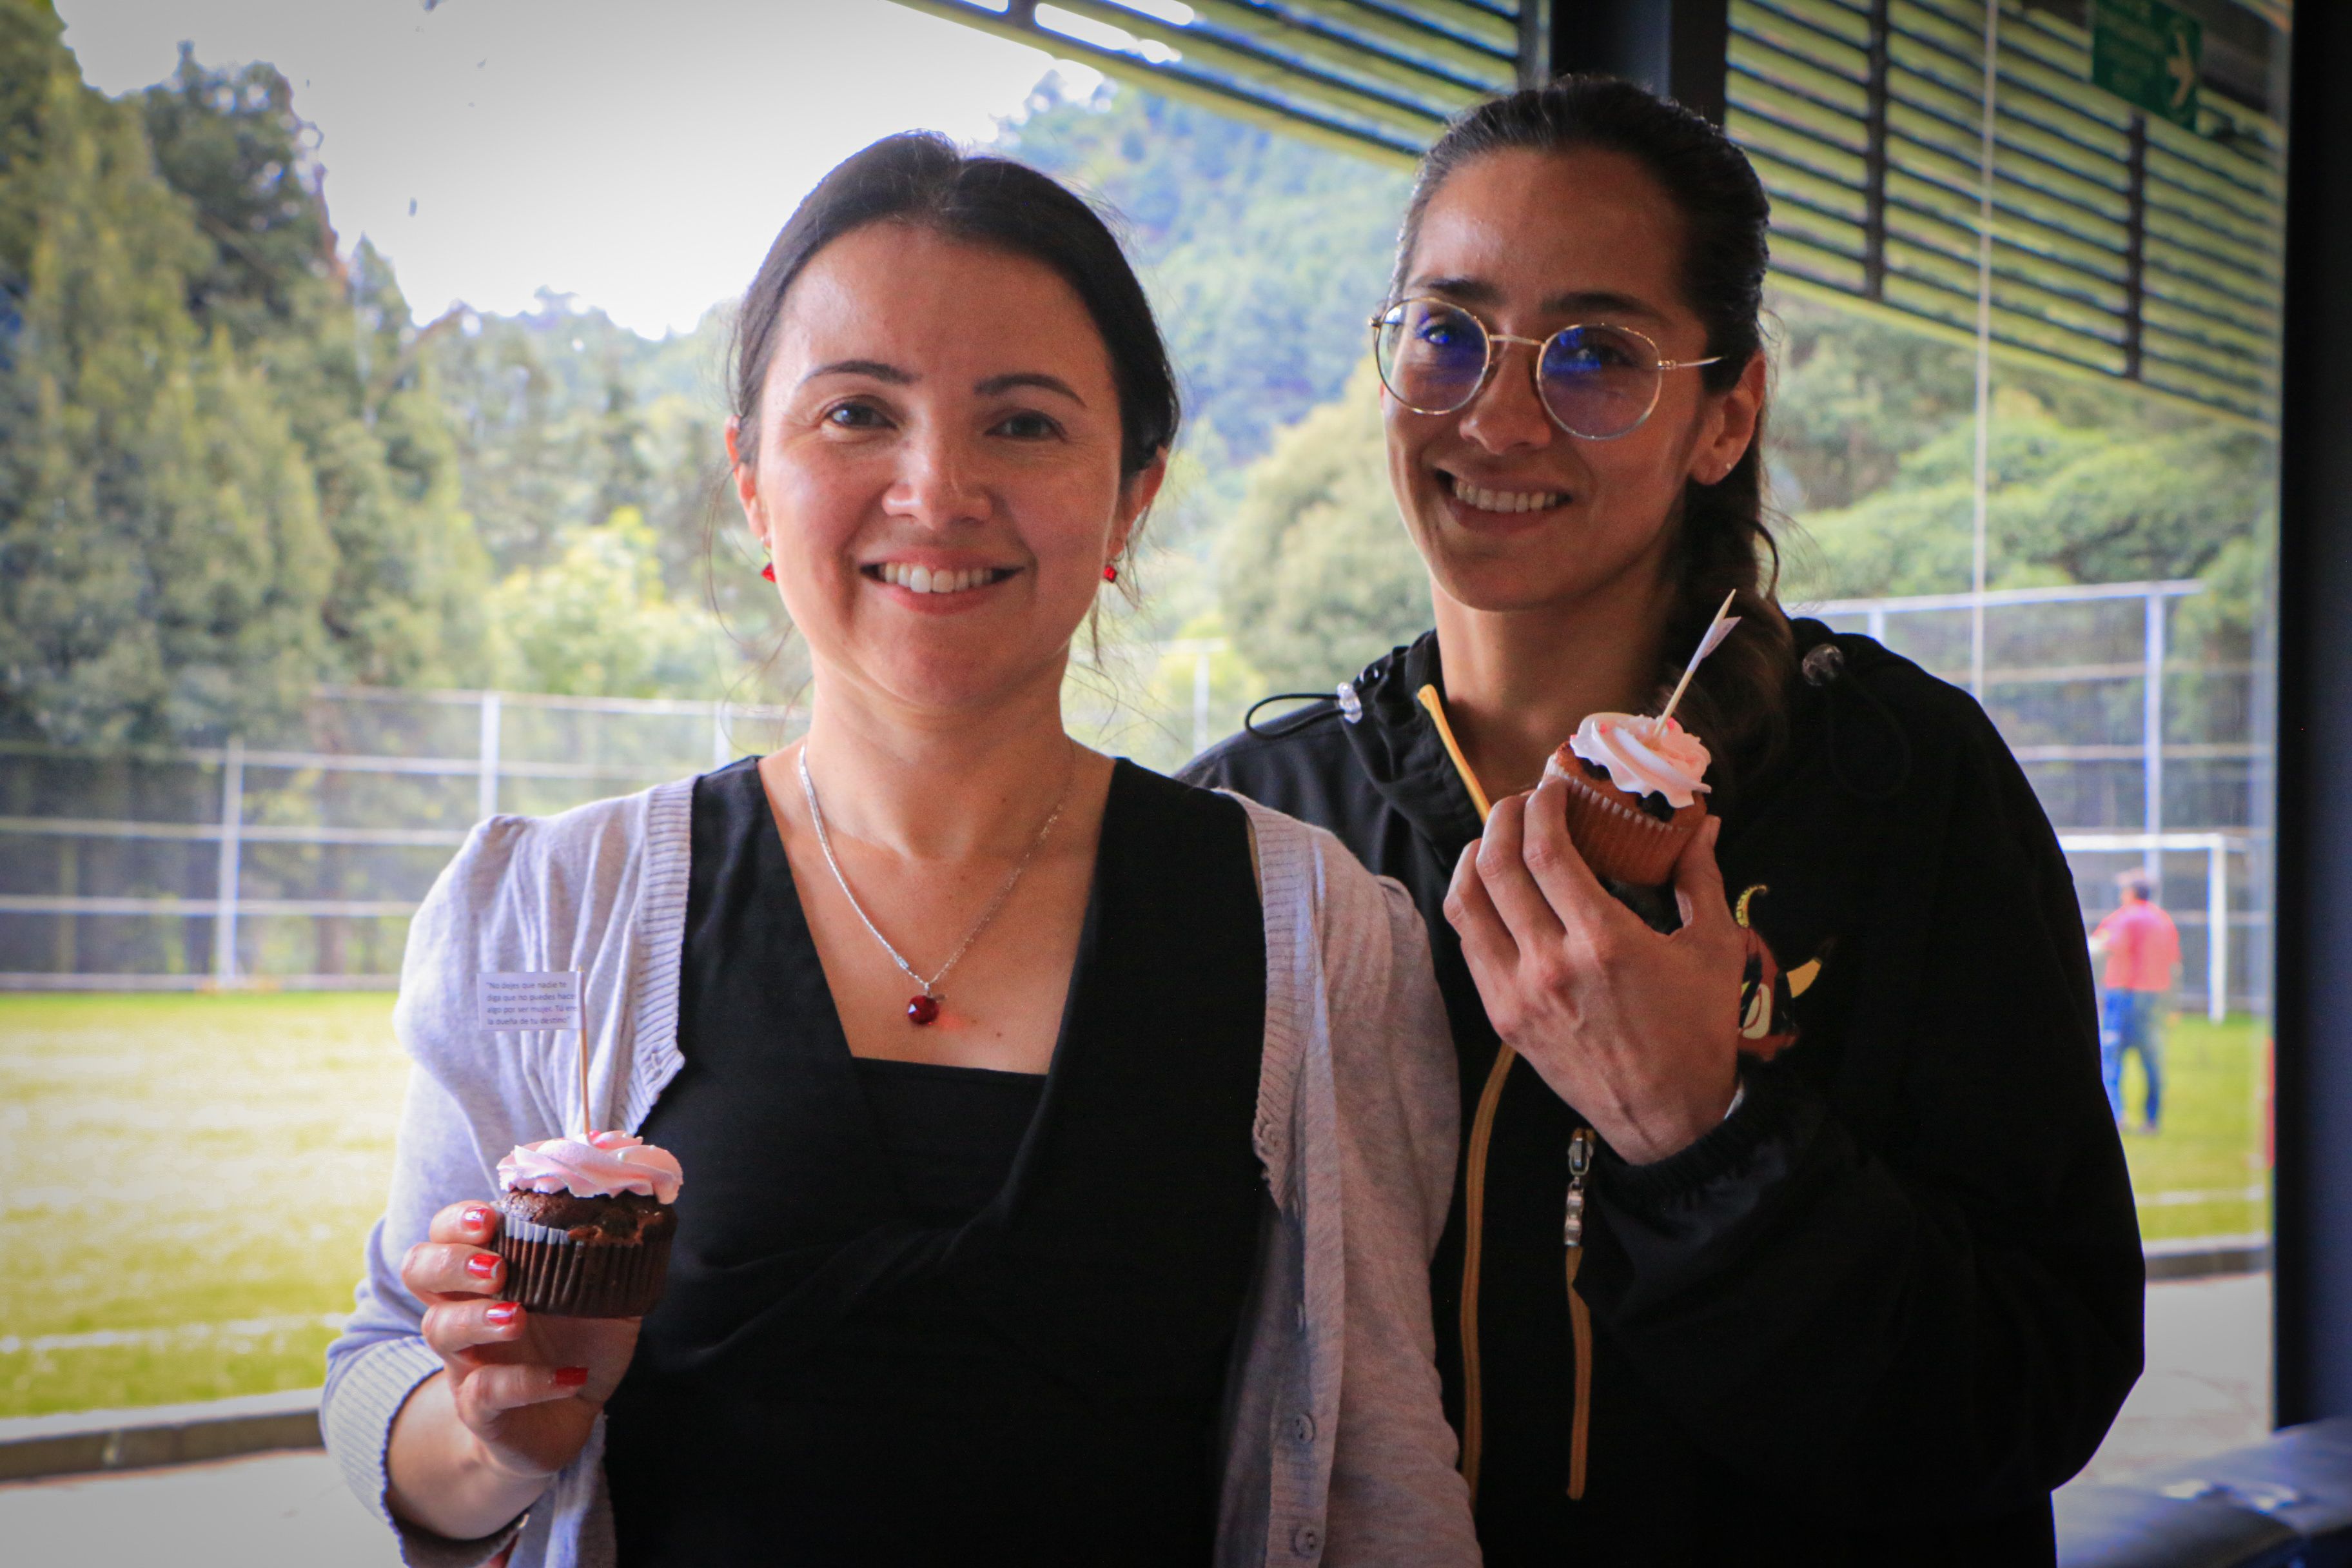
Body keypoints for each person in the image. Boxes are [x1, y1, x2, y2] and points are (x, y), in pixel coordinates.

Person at [322, 134, 1479, 1568]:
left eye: (1025, 424)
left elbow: (1381, 1465)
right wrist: (500, 1428)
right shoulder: (550, 912)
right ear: (751, 482)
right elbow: (385, 1367)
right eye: (858, 412)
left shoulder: (1317, 936)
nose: (936, 490)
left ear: (1133, 497)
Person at [1186, 77, 2143, 1565]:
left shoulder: (1898, 780)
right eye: (1448, 333)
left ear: (1724, 416)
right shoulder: (1248, 829)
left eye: (1594, 355)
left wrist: (1699, 1131)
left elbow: (2031, 1380)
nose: (1497, 412)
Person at [2090, 870, 2181, 1132]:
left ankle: (2116, 1117)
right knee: (2152, 1059)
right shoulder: (2163, 920)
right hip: (2155, 997)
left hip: (2125, 995)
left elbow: (2107, 946)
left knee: (2111, 1057)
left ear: (2130, 893)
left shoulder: (2123, 918)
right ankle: (2152, 1120)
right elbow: (2174, 963)